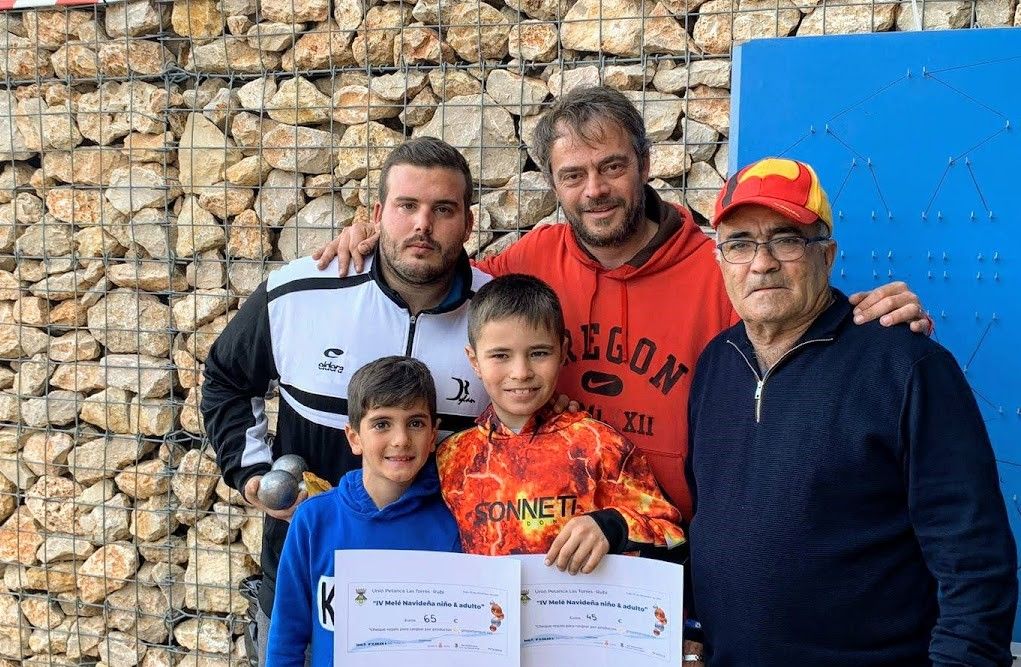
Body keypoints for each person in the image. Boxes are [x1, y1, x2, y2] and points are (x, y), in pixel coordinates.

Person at [314, 86, 930, 524]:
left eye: (612, 167)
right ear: (552, 183)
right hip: (549, 543)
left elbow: (801, 314)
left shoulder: (718, 265)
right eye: (572, 175)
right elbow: (437, 269)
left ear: (646, 164)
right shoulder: (528, 262)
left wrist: (874, 319)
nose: (595, 191)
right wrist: (373, 243)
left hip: (689, 546)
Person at [685, 157, 1017, 667]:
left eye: (786, 239)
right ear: (720, 261)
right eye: (740, 244)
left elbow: (975, 563)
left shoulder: (908, 366)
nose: (762, 262)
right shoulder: (715, 365)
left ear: (828, 255)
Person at [201, 137, 491, 665]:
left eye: (443, 209)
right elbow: (226, 378)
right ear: (378, 215)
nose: (422, 224)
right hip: (307, 583)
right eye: (407, 206)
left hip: (440, 596)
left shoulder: (496, 319)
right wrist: (250, 475)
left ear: (468, 223)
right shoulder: (299, 293)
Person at [438, 274, 684, 575]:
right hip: (487, 620)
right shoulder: (451, 458)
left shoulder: (600, 446)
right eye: (500, 355)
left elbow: (673, 536)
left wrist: (612, 527)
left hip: (579, 618)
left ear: (563, 350)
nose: (521, 372)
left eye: (539, 353)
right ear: (474, 361)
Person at [267, 356, 461, 667]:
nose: (401, 439)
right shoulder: (314, 521)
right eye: (382, 424)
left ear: (433, 437)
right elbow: (286, 638)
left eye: (415, 423)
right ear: (354, 437)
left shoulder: (452, 523)